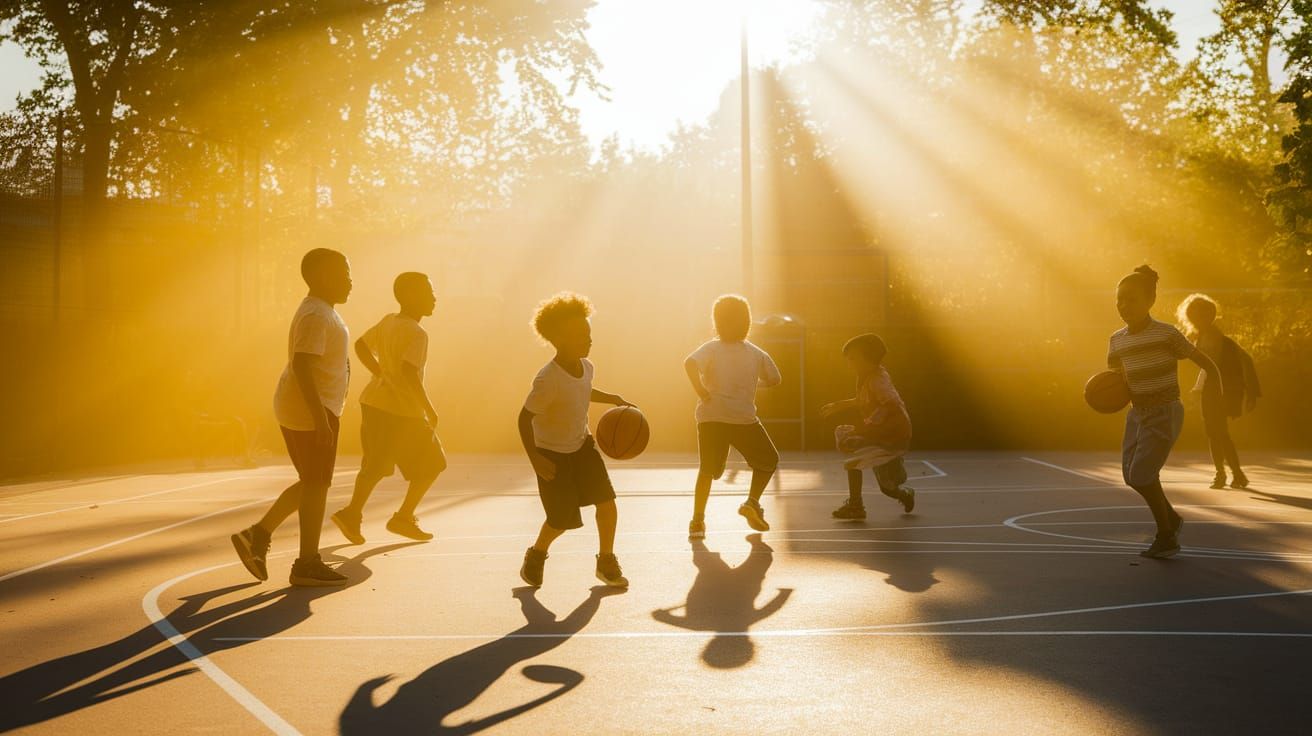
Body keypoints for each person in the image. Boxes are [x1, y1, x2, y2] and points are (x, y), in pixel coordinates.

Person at [231, 248, 353, 586]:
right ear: (319, 276)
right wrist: (320, 416)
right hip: (310, 410)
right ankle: (306, 563)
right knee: (316, 484)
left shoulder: (326, 311)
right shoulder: (316, 314)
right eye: (343, 272)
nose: (350, 280)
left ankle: (257, 535)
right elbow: (302, 364)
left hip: (319, 407)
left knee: (314, 482)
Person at [517, 292, 633, 589]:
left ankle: (606, 559)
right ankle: (537, 553)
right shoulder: (547, 379)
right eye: (581, 334)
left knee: (607, 502)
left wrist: (611, 399)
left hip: (583, 446)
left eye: (589, 332)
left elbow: (584, 389)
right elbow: (524, 418)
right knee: (560, 520)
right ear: (559, 338)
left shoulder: (586, 366)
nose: (589, 338)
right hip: (552, 454)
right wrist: (536, 459)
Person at [1108, 265, 1223, 559]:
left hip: (1165, 411)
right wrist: (1104, 397)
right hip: (1137, 414)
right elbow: (1115, 381)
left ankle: (1167, 536)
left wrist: (1216, 391)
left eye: (1131, 299)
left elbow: (1205, 362)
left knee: (1143, 474)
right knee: (1131, 476)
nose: (1124, 305)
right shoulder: (1117, 340)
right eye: (1119, 299)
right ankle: (1170, 517)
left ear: (1149, 301)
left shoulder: (1166, 334)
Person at [332, 272, 447, 544]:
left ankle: (354, 514)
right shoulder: (418, 333)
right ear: (410, 297)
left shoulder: (388, 322)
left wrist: (379, 372)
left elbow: (360, 345)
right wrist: (429, 409)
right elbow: (409, 373)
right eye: (428, 293)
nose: (434, 298)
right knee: (434, 462)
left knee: (376, 464)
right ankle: (402, 517)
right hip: (401, 410)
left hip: (375, 402)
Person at [684, 295, 782, 540]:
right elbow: (775, 379)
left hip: (712, 418)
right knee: (768, 460)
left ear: (716, 323)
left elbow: (689, 364)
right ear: (747, 324)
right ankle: (751, 501)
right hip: (742, 419)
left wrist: (701, 390)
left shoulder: (711, 348)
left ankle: (697, 521)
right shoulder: (757, 353)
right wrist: (753, 384)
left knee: (708, 470)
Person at [821, 333, 915, 520]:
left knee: (852, 462)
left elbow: (891, 404)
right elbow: (862, 400)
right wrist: (839, 405)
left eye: (853, 358)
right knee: (887, 488)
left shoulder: (879, 380)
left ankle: (856, 507)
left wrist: (866, 428)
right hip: (882, 435)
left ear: (869, 359)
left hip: (892, 436)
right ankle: (904, 493)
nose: (849, 363)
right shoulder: (866, 377)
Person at [1176, 293, 1261, 489]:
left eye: (1198, 315)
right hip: (1214, 390)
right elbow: (1215, 365)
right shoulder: (1209, 335)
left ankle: (1230, 474)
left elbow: (1212, 366)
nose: (1194, 319)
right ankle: (1226, 474)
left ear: (1208, 316)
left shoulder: (1213, 337)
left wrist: (1251, 392)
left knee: (1219, 433)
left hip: (1218, 390)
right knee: (1215, 433)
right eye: (1193, 315)